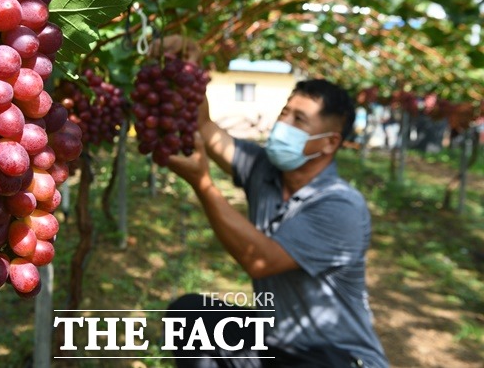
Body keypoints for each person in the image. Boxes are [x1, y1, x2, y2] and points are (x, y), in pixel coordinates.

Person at [165, 76, 389, 368]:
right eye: (284, 113)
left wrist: (202, 183)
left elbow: (260, 260)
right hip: (274, 340)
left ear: (330, 142)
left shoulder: (341, 205)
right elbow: (205, 128)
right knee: (190, 316)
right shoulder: (264, 171)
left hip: (334, 356)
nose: (283, 125)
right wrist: (187, 72)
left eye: (299, 120)